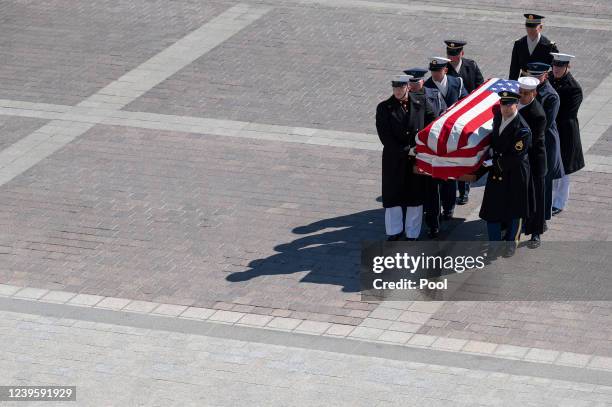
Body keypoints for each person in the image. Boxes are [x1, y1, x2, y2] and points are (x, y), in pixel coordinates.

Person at [375, 75, 437, 241]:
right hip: (395, 159)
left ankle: (412, 233)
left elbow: (432, 122)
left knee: (415, 198)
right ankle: (394, 231)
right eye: (395, 88)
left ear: (408, 88)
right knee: (393, 197)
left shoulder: (420, 102)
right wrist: (406, 150)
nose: (397, 91)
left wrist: (422, 145)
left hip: (416, 159)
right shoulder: (384, 108)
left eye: (400, 88)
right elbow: (385, 137)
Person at [479, 87, 533, 257]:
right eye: (502, 104)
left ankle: (511, 243)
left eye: (509, 105)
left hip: (514, 174)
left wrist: (494, 162)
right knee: (492, 209)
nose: (505, 108)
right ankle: (494, 243)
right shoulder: (498, 118)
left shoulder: (522, 129)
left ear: (516, 104)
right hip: (497, 171)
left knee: (514, 211)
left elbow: (515, 156)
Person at [424, 57, 468, 222]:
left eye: (437, 71)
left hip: (454, 135)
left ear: (445, 70)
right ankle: (434, 209)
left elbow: (466, 102)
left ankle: (449, 207)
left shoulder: (457, 82)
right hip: (436, 137)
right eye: (433, 71)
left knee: (449, 175)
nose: (434, 74)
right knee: (437, 176)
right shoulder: (426, 87)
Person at [404, 67, 446, 238]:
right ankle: (410, 223)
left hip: (427, 150)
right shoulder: (403, 98)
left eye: (417, 82)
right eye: (411, 83)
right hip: (410, 152)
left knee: (431, 191)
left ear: (423, 81)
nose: (413, 86)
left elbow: (439, 117)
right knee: (411, 190)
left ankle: (433, 223)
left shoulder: (433, 96)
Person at [445, 40, 485, 205]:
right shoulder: (443, 68)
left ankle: (464, 191)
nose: (452, 57)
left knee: (463, 155)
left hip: (467, 117)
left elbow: (480, 87)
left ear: (461, 54)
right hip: (450, 118)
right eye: (449, 54)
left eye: (455, 54)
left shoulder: (471, 66)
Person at [527, 62, 565, 221]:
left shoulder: (551, 96)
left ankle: (542, 218)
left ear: (545, 76)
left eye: (538, 76)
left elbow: (544, 124)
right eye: (532, 75)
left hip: (545, 145)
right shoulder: (525, 91)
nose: (535, 79)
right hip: (529, 142)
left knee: (544, 183)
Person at [550, 53, 584, 215]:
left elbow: (568, 114)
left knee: (563, 170)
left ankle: (559, 202)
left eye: (560, 66)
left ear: (567, 68)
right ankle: (549, 200)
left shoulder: (573, 88)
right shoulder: (549, 79)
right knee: (551, 167)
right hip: (550, 131)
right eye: (555, 66)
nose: (556, 69)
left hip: (565, 134)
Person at [518, 76, 547, 248]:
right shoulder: (516, 104)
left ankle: (536, 231)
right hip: (521, 160)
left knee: (536, 197)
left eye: (526, 93)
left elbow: (532, 141)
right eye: (520, 92)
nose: (522, 96)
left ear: (534, 93)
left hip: (534, 161)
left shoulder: (537, 113)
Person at [509, 14, 559, 80]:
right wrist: (512, 85)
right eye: (528, 27)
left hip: (541, 82)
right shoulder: (519, 44)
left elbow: (556, 69)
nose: (530, 30)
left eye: (533, 27)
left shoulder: (549, 46)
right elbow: (514, 68)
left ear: (540, 27)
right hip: (524, 81)